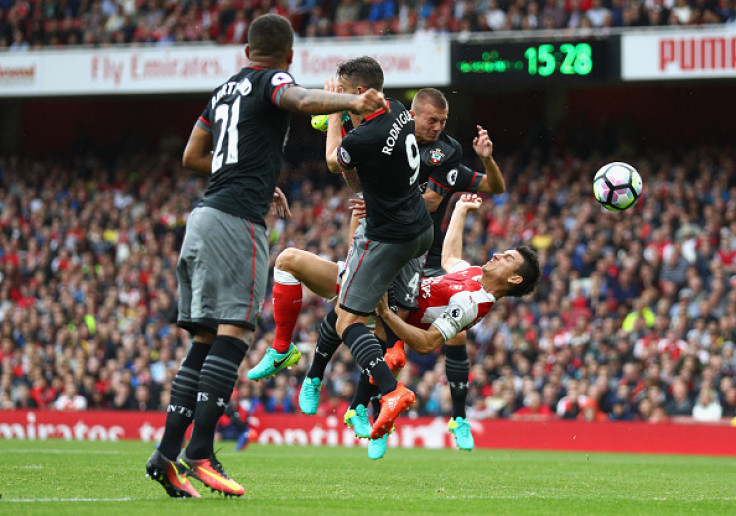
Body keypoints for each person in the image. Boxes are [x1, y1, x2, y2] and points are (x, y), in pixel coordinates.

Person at [145, 14, 390, 499]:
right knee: (235, 333)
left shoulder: (222, 91)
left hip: (202, 218)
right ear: (290, 56)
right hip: (236, 223)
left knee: (202, 341)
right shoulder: (273, 79)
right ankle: (200, 454)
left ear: (246, 52)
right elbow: (296, 98)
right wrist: (351, 101)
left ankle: (165, 456)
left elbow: (193, 156)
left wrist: (256, 176)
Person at [249, 87, 506, 451]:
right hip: (385, 241)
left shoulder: (445, 152)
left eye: (444, 121)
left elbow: (433, 198)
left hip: (416, 251)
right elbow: (352, 173)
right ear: (413, 115)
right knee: (347, 307)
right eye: (433, 120)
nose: (439, 128)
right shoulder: (389, 136)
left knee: (387, 335)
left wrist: (391, 203)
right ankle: (329, 384)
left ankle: (379, 411)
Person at [311, 56, 434, 442]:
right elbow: (356, 178)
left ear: (361, 93)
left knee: (348, 320)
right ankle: (351, 402)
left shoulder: (365, 137)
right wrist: (349, 115)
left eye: (345, 93)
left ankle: (390, 392)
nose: (340, 98)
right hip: (420, 231)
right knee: (377, 318)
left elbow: (334, 162)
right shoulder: (397, 108)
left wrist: (334, 114)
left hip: (388, 237)